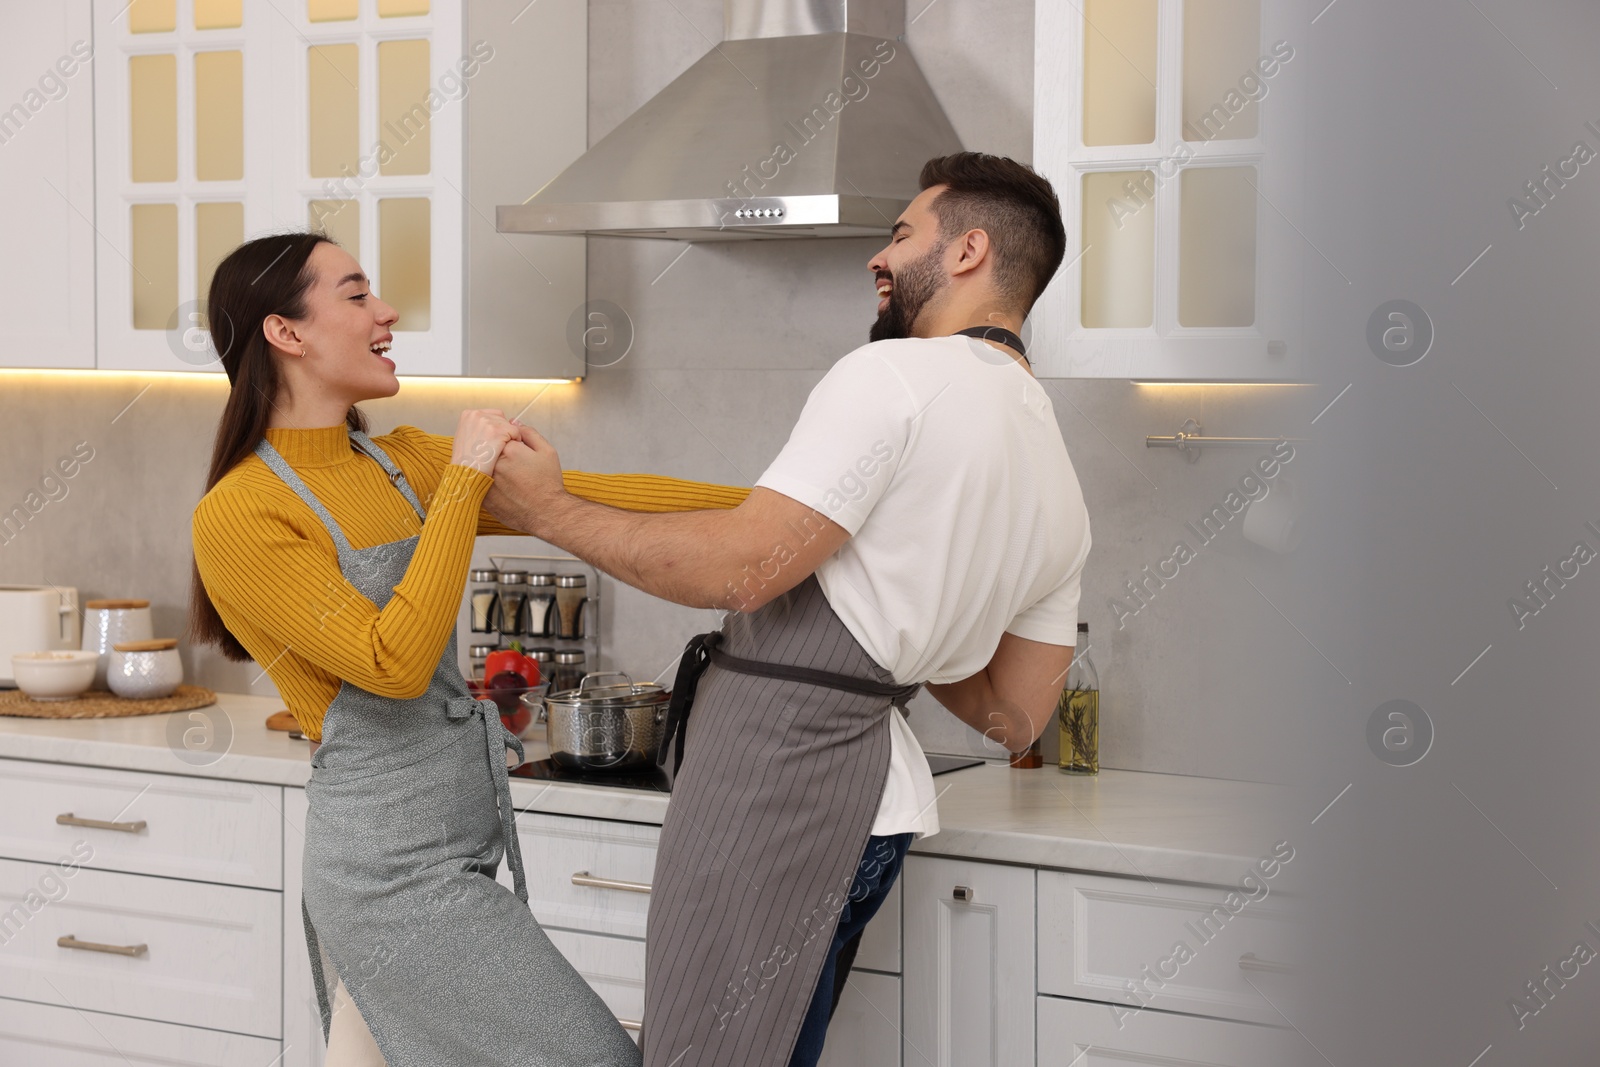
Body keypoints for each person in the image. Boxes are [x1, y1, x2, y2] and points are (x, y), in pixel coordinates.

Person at [483, 151, 1092, 1067]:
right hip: (875, 811)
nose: (877, 260)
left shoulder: (892, 376)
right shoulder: (1057, 471)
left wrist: (545, 512)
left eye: (901, 234)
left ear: (969, 251)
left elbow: (741, 570)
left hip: (775, 785)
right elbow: (1016, 714)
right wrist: (930, 607)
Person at [187, 232, 748, 1066]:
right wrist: (463, 482)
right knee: (595, 1057)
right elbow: (393, 660)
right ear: (286, 332)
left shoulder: (399, 461)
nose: (387, 311)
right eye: (356, 293)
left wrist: (794, 510)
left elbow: (597, 497)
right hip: (390, 876)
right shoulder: (241, 512)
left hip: (456, 844)